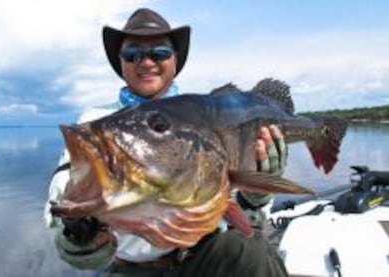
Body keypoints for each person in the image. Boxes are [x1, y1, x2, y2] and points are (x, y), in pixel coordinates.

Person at [44, 8, 288, 277]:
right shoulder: (96, 122)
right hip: (131, 270)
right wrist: (77, 236)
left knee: (253, 253)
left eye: (159, 52)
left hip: (205, 257)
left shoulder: (203, 117)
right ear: (121, 62)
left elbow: (249, 219)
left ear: (174, 60)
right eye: (132, 54)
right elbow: (60, 204)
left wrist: (256, 195)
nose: (146, 61)